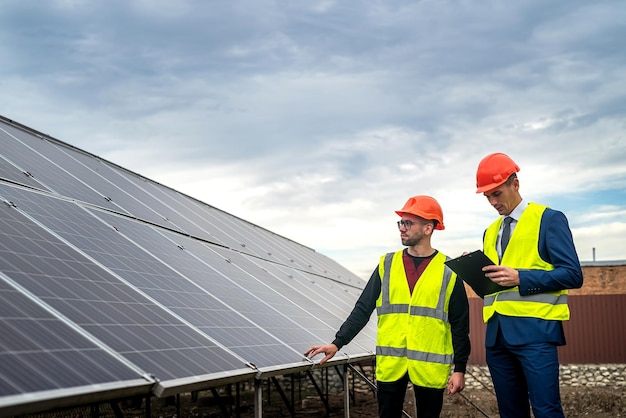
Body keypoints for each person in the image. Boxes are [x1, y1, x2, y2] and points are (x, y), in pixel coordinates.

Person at [304, 195, 470, 418]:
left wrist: (460, 369)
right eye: (400, 223)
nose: (402, 228)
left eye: (408, 223)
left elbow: (460, 325)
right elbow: (362, 309)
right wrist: (337, 343)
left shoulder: (449, 270)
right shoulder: (386, 264)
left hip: (430, 367)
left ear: (429, 227)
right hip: (391, 365)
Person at [474, 152, 583, 418]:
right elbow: (496, 284)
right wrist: (477, 271)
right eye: (487, 196)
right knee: (510, 413)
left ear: (515, 184)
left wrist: (521, 278)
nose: (492, 202)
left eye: (496, 194)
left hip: (536, 334)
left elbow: (572, 275)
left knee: (546, 411)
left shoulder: (549, 219)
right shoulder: (490, 231)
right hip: (497, 336)